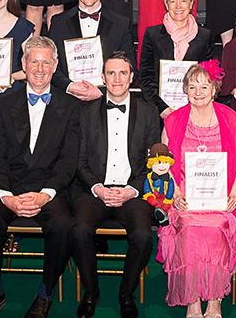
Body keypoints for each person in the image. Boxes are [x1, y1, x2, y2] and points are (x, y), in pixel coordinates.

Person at [0, 37, 81, 318]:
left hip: (49, 188)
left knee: (62, 224)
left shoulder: (71, 107)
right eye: (33, 61)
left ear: (56, 65)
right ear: (23, 64)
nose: (39, 68)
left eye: (46, 62)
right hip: (9, 187)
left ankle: (45, 293)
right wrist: (6, 196)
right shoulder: (2, 105)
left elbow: (69, 160)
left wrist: (47, 193)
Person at [72, 52, 161, 318]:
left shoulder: (149, 111)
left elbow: (155, 161)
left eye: (123, 73)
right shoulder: (86, 112)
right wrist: (97, 188)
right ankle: (91, 291)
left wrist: (132, 189)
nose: (117, 78)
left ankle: (126, 292)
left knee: (144, 236)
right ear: (102, 78)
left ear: (132, 77)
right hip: (95, 189)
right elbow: (79, 160)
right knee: (79, 230)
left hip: (132, 191)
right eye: (111, 73)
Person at [157, 61, 236, 318]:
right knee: (189, 227)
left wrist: (233, 194)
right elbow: (164, 166)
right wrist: (175, 195)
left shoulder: (230, 118)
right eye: (193, 86)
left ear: (214, 88)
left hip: (220, 198)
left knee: (220, 226)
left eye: (204, 85)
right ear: (185, 89)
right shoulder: (173, 120)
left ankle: (215, 300)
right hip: (184, 196)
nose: (198, 91)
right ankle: (193, 300)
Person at [47, 0, 136, 101]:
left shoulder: (120, 23)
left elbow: (129, 67)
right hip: (68, 102)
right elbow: (50, 64)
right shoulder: (58, 23)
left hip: (105, 101)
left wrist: (102, 91)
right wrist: (70, 86)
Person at [139, 0, 217, 118]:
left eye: (183, 1)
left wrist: (196, 103)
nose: (178, 6)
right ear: (166, 4)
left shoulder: (205, 36)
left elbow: (209, 78)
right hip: (160, 113)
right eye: (173, 1)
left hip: (195, 110)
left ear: (191, 3)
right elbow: (146, 76)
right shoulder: (153, 35)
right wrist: (161, 108)